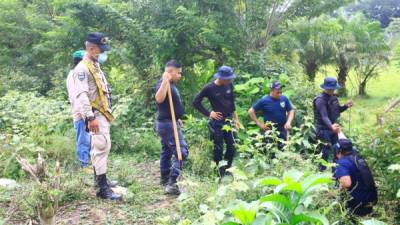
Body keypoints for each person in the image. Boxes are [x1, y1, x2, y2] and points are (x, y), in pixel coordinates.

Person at [72, 32, 121, 200]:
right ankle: (102, 190)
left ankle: (100, 180)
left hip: (102, 114)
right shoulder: (82, 68)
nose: (102, 53)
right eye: (100, 49)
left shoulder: (94, 65)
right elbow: (82, 95)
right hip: (95, 115)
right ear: (92, 49)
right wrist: (90, 117)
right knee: (100, 147)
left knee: (101, 148)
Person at [192, 66, 241, 177]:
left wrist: (236, 119)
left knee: (232, 146)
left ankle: (227, 170)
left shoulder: (229, 85)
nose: (229, 80)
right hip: (217, 122)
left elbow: (231, 103)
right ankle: (219, 172)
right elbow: (196, 102)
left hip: (229, 120)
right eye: (227, 78)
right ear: (221, 77)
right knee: (218, 148)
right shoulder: (209, 88)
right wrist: (209, 113)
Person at [155, 60, 188, 195]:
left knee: (167, 151)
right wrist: (165, 81)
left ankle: (164, 177)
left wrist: (178, 118)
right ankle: (172, 183)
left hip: (170, 122)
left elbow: (170, 105)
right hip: (167, 124)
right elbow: (159, 98)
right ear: (170, 72)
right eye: (178, 73)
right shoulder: (164, 83)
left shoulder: (172, 85)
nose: (180, 75)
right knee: (182, 152)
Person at [313, 77, 353, 170]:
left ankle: (336, 174)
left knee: (337, 150)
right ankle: (321, 173)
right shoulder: (320, 100)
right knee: (324, 152)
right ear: (326, 88)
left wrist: (346, 106)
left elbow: (337, 110)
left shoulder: (334, 98)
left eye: (333, 88)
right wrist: (331, 126)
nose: (332, 90)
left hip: (334, 128)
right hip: (323, 130)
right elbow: (324, 116)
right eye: (331, 88)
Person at [334, 132, 377, 216]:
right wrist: (339, 132)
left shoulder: (342, 163)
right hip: (370, 200)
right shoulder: (357, 157)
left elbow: (346, 183)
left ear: (339, 151)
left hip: (357, 206)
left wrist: (334, 192)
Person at [248, 81, 295, 147]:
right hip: (269, 131)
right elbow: (251, 111)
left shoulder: (284, 99)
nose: (280, 94)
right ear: (271, 90)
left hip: (282, 130)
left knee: (283, 150)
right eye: (277, 92)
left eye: (281, 92)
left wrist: (289, 122)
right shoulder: (264, 100)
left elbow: (291, 110)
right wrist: (259, 123)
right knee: (271, 152)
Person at [66, 50, 91, 170]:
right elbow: (76, 98)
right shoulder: (74, 75)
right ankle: (84, 165)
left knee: (88, 140)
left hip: (85, 113)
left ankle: (88, 164)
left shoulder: (79, 73)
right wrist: (85, 115)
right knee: (83, 140)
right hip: (81, 114)